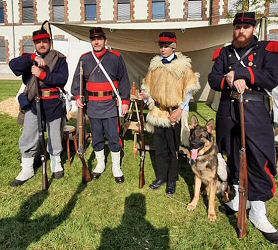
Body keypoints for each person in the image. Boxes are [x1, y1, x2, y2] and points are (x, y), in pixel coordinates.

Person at [208, 12, 278, 244]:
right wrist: (228, 80)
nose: (241, 31)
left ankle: (258, 212)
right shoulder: (224, 52)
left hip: (255, 114)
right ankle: (238, 201)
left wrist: (244, 74)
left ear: (253, 29)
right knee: (232, 158)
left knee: (257, 161)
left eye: (245, 27)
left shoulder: (266, 50)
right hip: (228, 114)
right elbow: (213, 79)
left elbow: (272, 78)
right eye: (238, 27)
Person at [141, 32, 200, 195]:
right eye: (161, 45)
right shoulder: (155, 65)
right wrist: (146, 96)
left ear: (173, 47)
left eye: (166, 45)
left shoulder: (183, 66)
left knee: (173, 149)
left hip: (174, 113)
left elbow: (189, 90)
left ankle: (172, 180)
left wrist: (180, 110)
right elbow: (147, 85)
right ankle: (161, 176)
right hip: (158, 112)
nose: (162, 48)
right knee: (159, 148)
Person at [9, 28, 69, 186]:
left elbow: (62, 79)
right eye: (38, 42)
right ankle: (27, 167)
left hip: (53, 103)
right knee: (29, 135)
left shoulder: (59, 58)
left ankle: (56, 162)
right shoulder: (28, 58)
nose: (42, 44)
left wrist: (43, 75)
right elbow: (13, 66)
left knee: (55, 135)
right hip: (33, 102)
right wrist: (32, 58)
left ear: (49, 42)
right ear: (34, 44)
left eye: (44, 41)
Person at [71, 27, 130, 184]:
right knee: (96, 136)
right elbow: (77, 79)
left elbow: (124, 79)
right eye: (93, 39)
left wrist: (125, 101)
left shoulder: (116, 57)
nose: (96, 42)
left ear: (105, 40)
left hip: (109, 104)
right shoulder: (84, 58)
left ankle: (116, 167)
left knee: (113, 136)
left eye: (99, 39)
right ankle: (100, 164)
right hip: (92, 105)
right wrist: (77, 95)